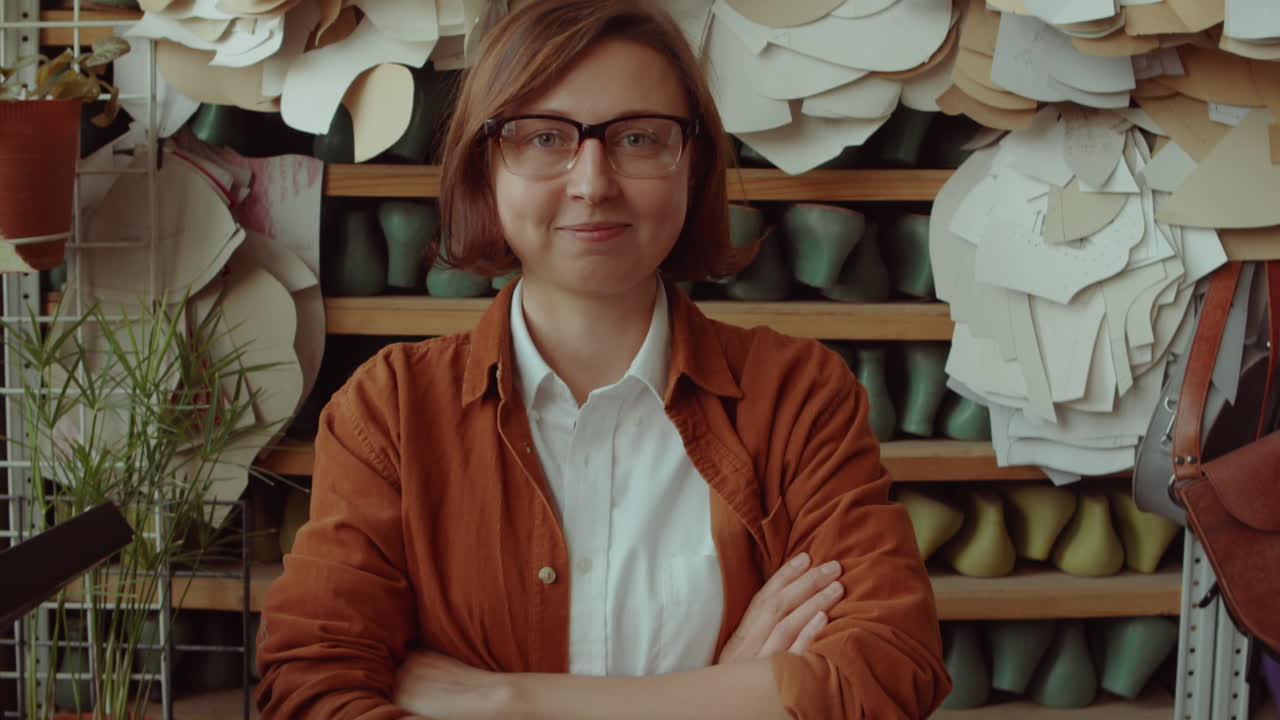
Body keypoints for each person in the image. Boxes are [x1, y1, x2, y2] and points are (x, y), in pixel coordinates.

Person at [255, 1, 951, 718]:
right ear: (485, 165)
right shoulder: (389, 411)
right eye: (543, 137)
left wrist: (510, 701)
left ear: (693, 164)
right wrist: (729, 696)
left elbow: (892, 666)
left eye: (639, 138)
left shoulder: (796, 394)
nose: (592, 183)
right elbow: (312, 691)